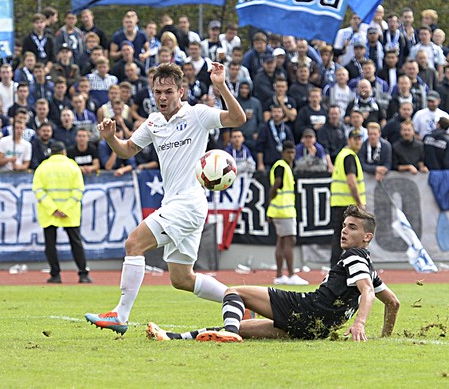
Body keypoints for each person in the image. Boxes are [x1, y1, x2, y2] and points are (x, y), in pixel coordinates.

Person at [85, 61, 245, 335]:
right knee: (182, 279)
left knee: (133, 243)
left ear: (181, 91)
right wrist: (111, 139)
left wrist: (221, 86)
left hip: (189, 202)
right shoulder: (154, 122)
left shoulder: (197, 115)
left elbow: (237, 119)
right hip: (176, 204)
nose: (162, 97)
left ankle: (120, 315)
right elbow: (126, 151)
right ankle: (237, 300)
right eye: (157, 91)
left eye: (168, 91)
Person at [147, 206, 399, 343]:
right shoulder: (367, 265)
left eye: (352, 228)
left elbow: (366, 291)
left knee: (233, 292)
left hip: (307, 310)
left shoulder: (354, 257)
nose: (344, 231)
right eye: (344, 226)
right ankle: (171, 337)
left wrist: (360, 323)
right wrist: (383, 339)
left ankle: (229, 333)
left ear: (367, 237)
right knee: (243, 327)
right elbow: (393, 303)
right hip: (317, 329)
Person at [33, 141, 91, 284]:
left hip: (49, 213)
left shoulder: (42, 167)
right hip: (70, 212)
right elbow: (79, 190)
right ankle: (83, 274)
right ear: (64, 152)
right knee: (76, 243)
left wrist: (53, 209)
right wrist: (66, 209)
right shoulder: (72, 166)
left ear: (51, 153)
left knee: (50, 245)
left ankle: (55, 275)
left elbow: (38, 190)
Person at [268, 141, 307, 285]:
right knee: (289, 242)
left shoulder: (283, 167)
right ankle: (291, 275)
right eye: (288, 152)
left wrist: (271, 207)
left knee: (281, 241)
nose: (291, 155)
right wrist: (270, 201)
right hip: (284, 211)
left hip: (279, 209)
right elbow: (276, 184)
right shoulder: (282, 167)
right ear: (283, 152)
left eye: (293, 152)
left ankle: (279, 276)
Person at [330, 128, 366, 266]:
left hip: (339, 203)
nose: (358, 142)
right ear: (349, 140)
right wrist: (360, 202)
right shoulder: (349, 156)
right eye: (355, 139)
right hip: (348, 205)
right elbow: (351, 182)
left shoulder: (342, 155)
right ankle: (347, 268)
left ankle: (334, 268)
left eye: (359, 139)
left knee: (340, 237)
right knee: (351, 238)